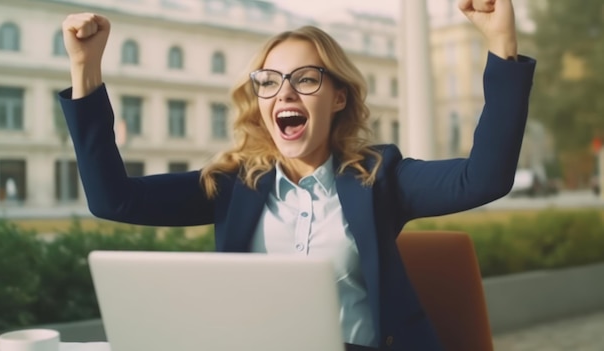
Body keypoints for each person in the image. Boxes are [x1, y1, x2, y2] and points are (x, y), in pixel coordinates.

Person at [58, 0, 535, 349]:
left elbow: (485, 178)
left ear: (338, 97)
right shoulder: (233, 184)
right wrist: (86, 70)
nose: (284, 93)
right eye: (268, 82)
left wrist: (502, 45)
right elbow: (112, 200)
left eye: (305, 78)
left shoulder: (380, 176)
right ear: (260, 101)